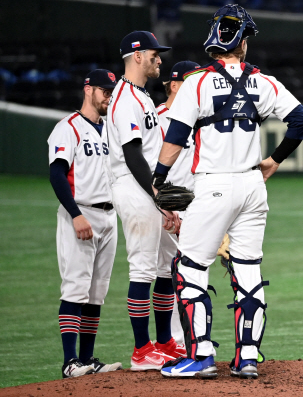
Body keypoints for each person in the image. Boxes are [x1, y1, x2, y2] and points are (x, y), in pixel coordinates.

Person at [150, 4, 303, 379]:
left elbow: (175, 137)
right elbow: (301, 121)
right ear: (242, 43)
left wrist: (159, 176)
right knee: (248, 269)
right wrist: (273, 160)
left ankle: (202, 356)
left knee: (189, 267)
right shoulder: (263, 81)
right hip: (253, 186)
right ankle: (248, 359)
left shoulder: (197, 83)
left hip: (214, 184)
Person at [105, 30, 182, 370]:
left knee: (165, 266)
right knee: (142, 269)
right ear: (137, 56)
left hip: (150, 190)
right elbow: (133, 153)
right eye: (154, 54)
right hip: (135, 189)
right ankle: (141, 350)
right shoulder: (124, 98)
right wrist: (156, 194)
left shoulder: (141, 97)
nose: (159, 59)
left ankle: (164, 342)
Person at [48, 69, 123, 378]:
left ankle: (88, 359)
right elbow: (56, 173)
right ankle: (70, 362)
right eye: (104, 90)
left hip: (109, 216)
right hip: (81, 214)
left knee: (97, 292)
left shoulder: (111, 130)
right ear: (88, 89)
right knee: (76, 288)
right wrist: (75, 214)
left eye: (111, 90)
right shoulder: (68, 128)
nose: (108, 95)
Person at [155, 60, 201, 349]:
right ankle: (172, 341)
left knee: (191, 273)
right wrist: (161, 204)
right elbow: (148, 166)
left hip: (196, 208)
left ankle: (188, 338)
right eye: (191, 80)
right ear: (174, 85)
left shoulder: (202, 120)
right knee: (167, 274)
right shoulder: (157, 118)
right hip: (165, 207)